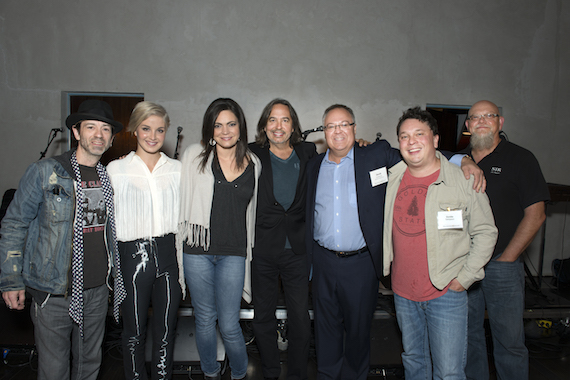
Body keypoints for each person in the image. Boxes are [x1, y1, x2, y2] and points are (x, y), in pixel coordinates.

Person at [305, 104, 484, 380]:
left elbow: (420, 154)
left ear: (354, 128)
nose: (338, 131)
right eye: (331, 126)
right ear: (324, 131)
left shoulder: (375, 155)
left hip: (361, 263)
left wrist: (463, 160)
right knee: (324, 330)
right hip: (324, 261)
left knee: (358, 332)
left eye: (344, 124)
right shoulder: (314, 165)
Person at [0, 99, 126, 380]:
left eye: (105, 129)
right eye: (90, 127)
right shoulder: (46, 171)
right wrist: (11, 279)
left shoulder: (109, 178)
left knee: (89, 367)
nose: (98, 134)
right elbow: (14, 224)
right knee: (54, 371)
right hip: (54, 293)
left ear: (111, 138)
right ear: (77, 132)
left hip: (95, 292)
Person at [383, 107, 497, 380]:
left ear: (435, 139)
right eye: (404, 136)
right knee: (414, 363)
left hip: (445, 292)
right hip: (403, 292)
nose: (411, 141)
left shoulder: (463, 180)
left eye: (419, 134)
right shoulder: (394, 176)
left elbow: (486, 232)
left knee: (448, 372)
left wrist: (464, 278)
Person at [176, 98, 261, 380]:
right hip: (197, 250)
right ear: (209, 129)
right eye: (218, 125)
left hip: (234, 253)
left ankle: (239, 373)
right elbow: (176, 194)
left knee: (229, 324)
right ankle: (210, 372)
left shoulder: (254, 163)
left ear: (241, 126)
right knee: (204, 320)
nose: (225, 131)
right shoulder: (193, 155)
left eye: (231, 124)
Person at [464, 100, 550, 380]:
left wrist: (509, 257)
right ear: (467, 126)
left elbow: (536, 215)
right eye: (475, 117)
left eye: (489, 116)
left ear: (501, 122)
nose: (482, 121)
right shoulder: (457, 160)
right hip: (463, 266)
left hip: (502, 266)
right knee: (468, 340)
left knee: (509, 343)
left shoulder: (521, 159)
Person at [107, 101, 183, 380]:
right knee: (133, 333)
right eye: (146, 128)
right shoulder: (115, 170)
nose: (153, 136)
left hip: (168, 255)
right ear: (134, 130)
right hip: (131, 257)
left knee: (166, 331)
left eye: (160, 130)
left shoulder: (177, 169)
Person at [249, 99, 316, 380]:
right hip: (263, 247)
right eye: (273, 120)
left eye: (285, 120)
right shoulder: (251, 153)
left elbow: (343, 154)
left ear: (293, 126)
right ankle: (271, 371)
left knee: (300, 317)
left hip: (297, 248)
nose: (279, 126)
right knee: (263, 315)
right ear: (265, 125)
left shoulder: (308, 152)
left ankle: (298, 373)